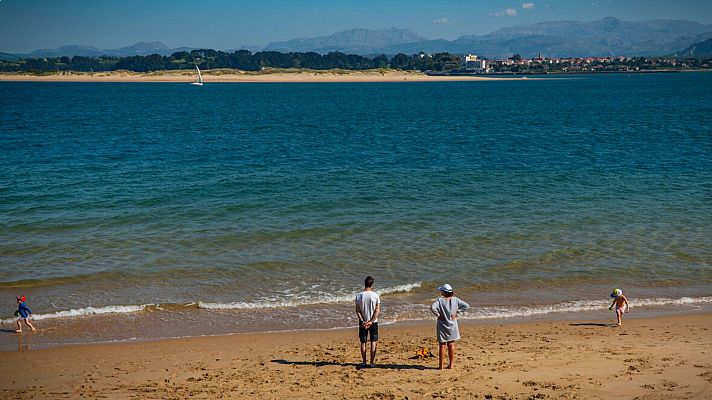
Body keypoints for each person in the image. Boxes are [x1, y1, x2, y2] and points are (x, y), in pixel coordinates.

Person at [430, 284, 469, 370]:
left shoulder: (440, 300)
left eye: (442, 291)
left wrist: (438, 315)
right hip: (453, 324)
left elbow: (432, 307)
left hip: (442, 324)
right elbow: (466, 306)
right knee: (451, 344)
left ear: (444, 292)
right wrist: (457, 313)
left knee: (442, 345)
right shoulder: (456, 300)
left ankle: (441, 366)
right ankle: (451, 365)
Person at [355, 276, 381, 367]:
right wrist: (371, 321)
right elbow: (377, 310)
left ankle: (364, 362)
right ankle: (372, 362)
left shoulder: (359, 295)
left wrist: (363, 321)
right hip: (373, 322)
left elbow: (358, 311)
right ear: (372, 285)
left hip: (363, 322)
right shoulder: (375, 295)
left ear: (364, 284)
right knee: (373, 341)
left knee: (363, 342)